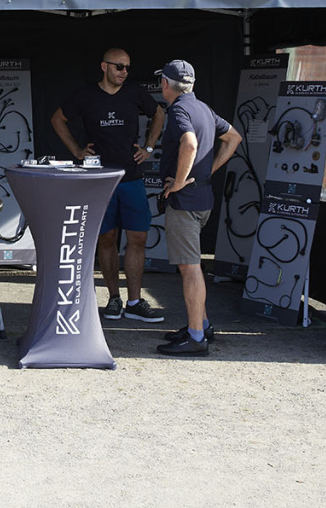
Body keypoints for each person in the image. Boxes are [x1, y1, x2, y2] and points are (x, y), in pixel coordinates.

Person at [51, 47, 166, 323]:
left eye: (127, 67)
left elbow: (159, 113)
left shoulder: (135, 93)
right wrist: (77, 151)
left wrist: (149, 147)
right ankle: (114, 298)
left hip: (132, 178)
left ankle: (135, 301)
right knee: (107, 238)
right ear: (104, 67)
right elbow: (57, 119)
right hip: (100, 180)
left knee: (138, 237)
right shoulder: (86, 95)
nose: (124, 72)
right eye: (119, 66)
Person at [155, 59, 242, 356]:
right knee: (191, 266)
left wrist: (179, 182)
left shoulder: (179, 110)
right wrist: (206, 172)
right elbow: (233, 138)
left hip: (185, 202)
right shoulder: (204, 108)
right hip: (203, 198)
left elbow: (190, 144)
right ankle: (201, 326)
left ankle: (195, 338)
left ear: (165, 84)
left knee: (190, 269)